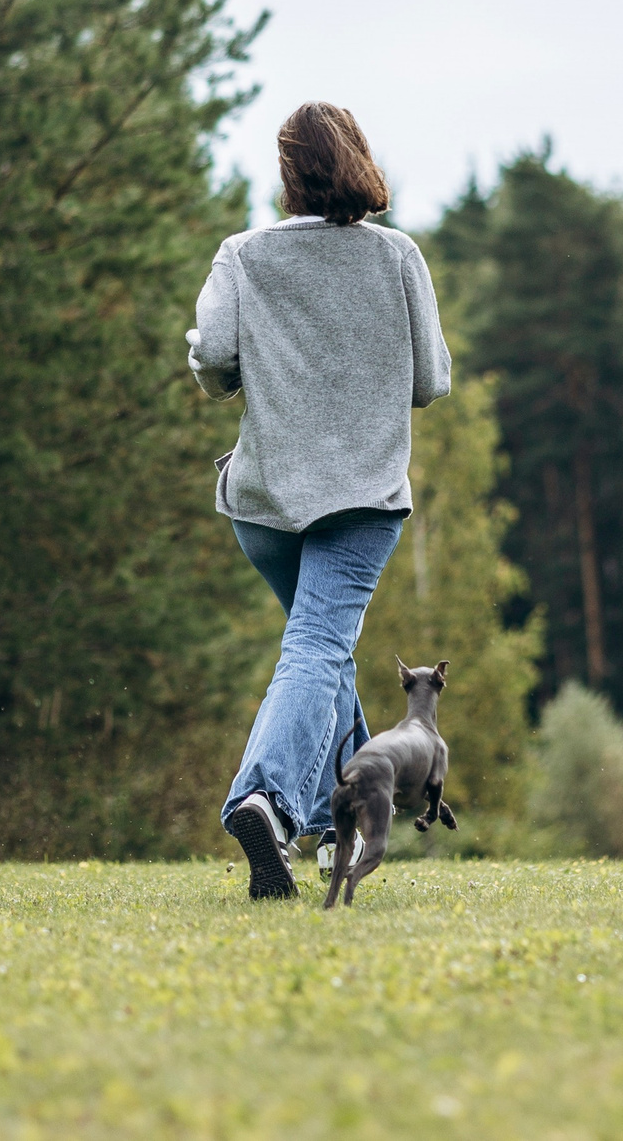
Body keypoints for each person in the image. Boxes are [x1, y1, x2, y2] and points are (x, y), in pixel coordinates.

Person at [188, 101, 451, 899]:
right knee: (316, 648)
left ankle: (336, 814)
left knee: (320, 650)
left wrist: (242, 374)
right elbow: (432, 381)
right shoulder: (398, 256)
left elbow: (213, 360)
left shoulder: (242, 254)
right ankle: (266, 798)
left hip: (265, 500)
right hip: (363, 499)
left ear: (287, 173)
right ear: (358, 162)